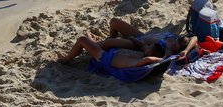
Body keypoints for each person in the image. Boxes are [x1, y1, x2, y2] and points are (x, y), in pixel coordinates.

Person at [58, 27, 198, 68]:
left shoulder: (158, 53)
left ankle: (67, 59)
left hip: (105, 58)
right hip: (126, 47)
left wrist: (160, 59)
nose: (174, 42)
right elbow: (195, 37)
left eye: (176, 44)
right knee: (113, 26)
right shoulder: (146, 51)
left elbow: (149, 57)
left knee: (84, 40)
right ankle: (91, 41)